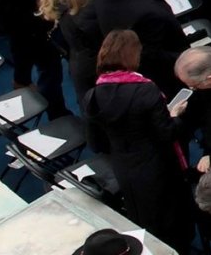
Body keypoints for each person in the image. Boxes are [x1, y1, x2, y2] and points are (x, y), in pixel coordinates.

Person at [83, 29, 195, 250]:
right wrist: (178, 117)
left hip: (125, 168)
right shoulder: (145, 90)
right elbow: (167, 133)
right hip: (159, 166)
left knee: (146, 221)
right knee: (172, 221)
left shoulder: (92, 96)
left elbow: (96, 143)